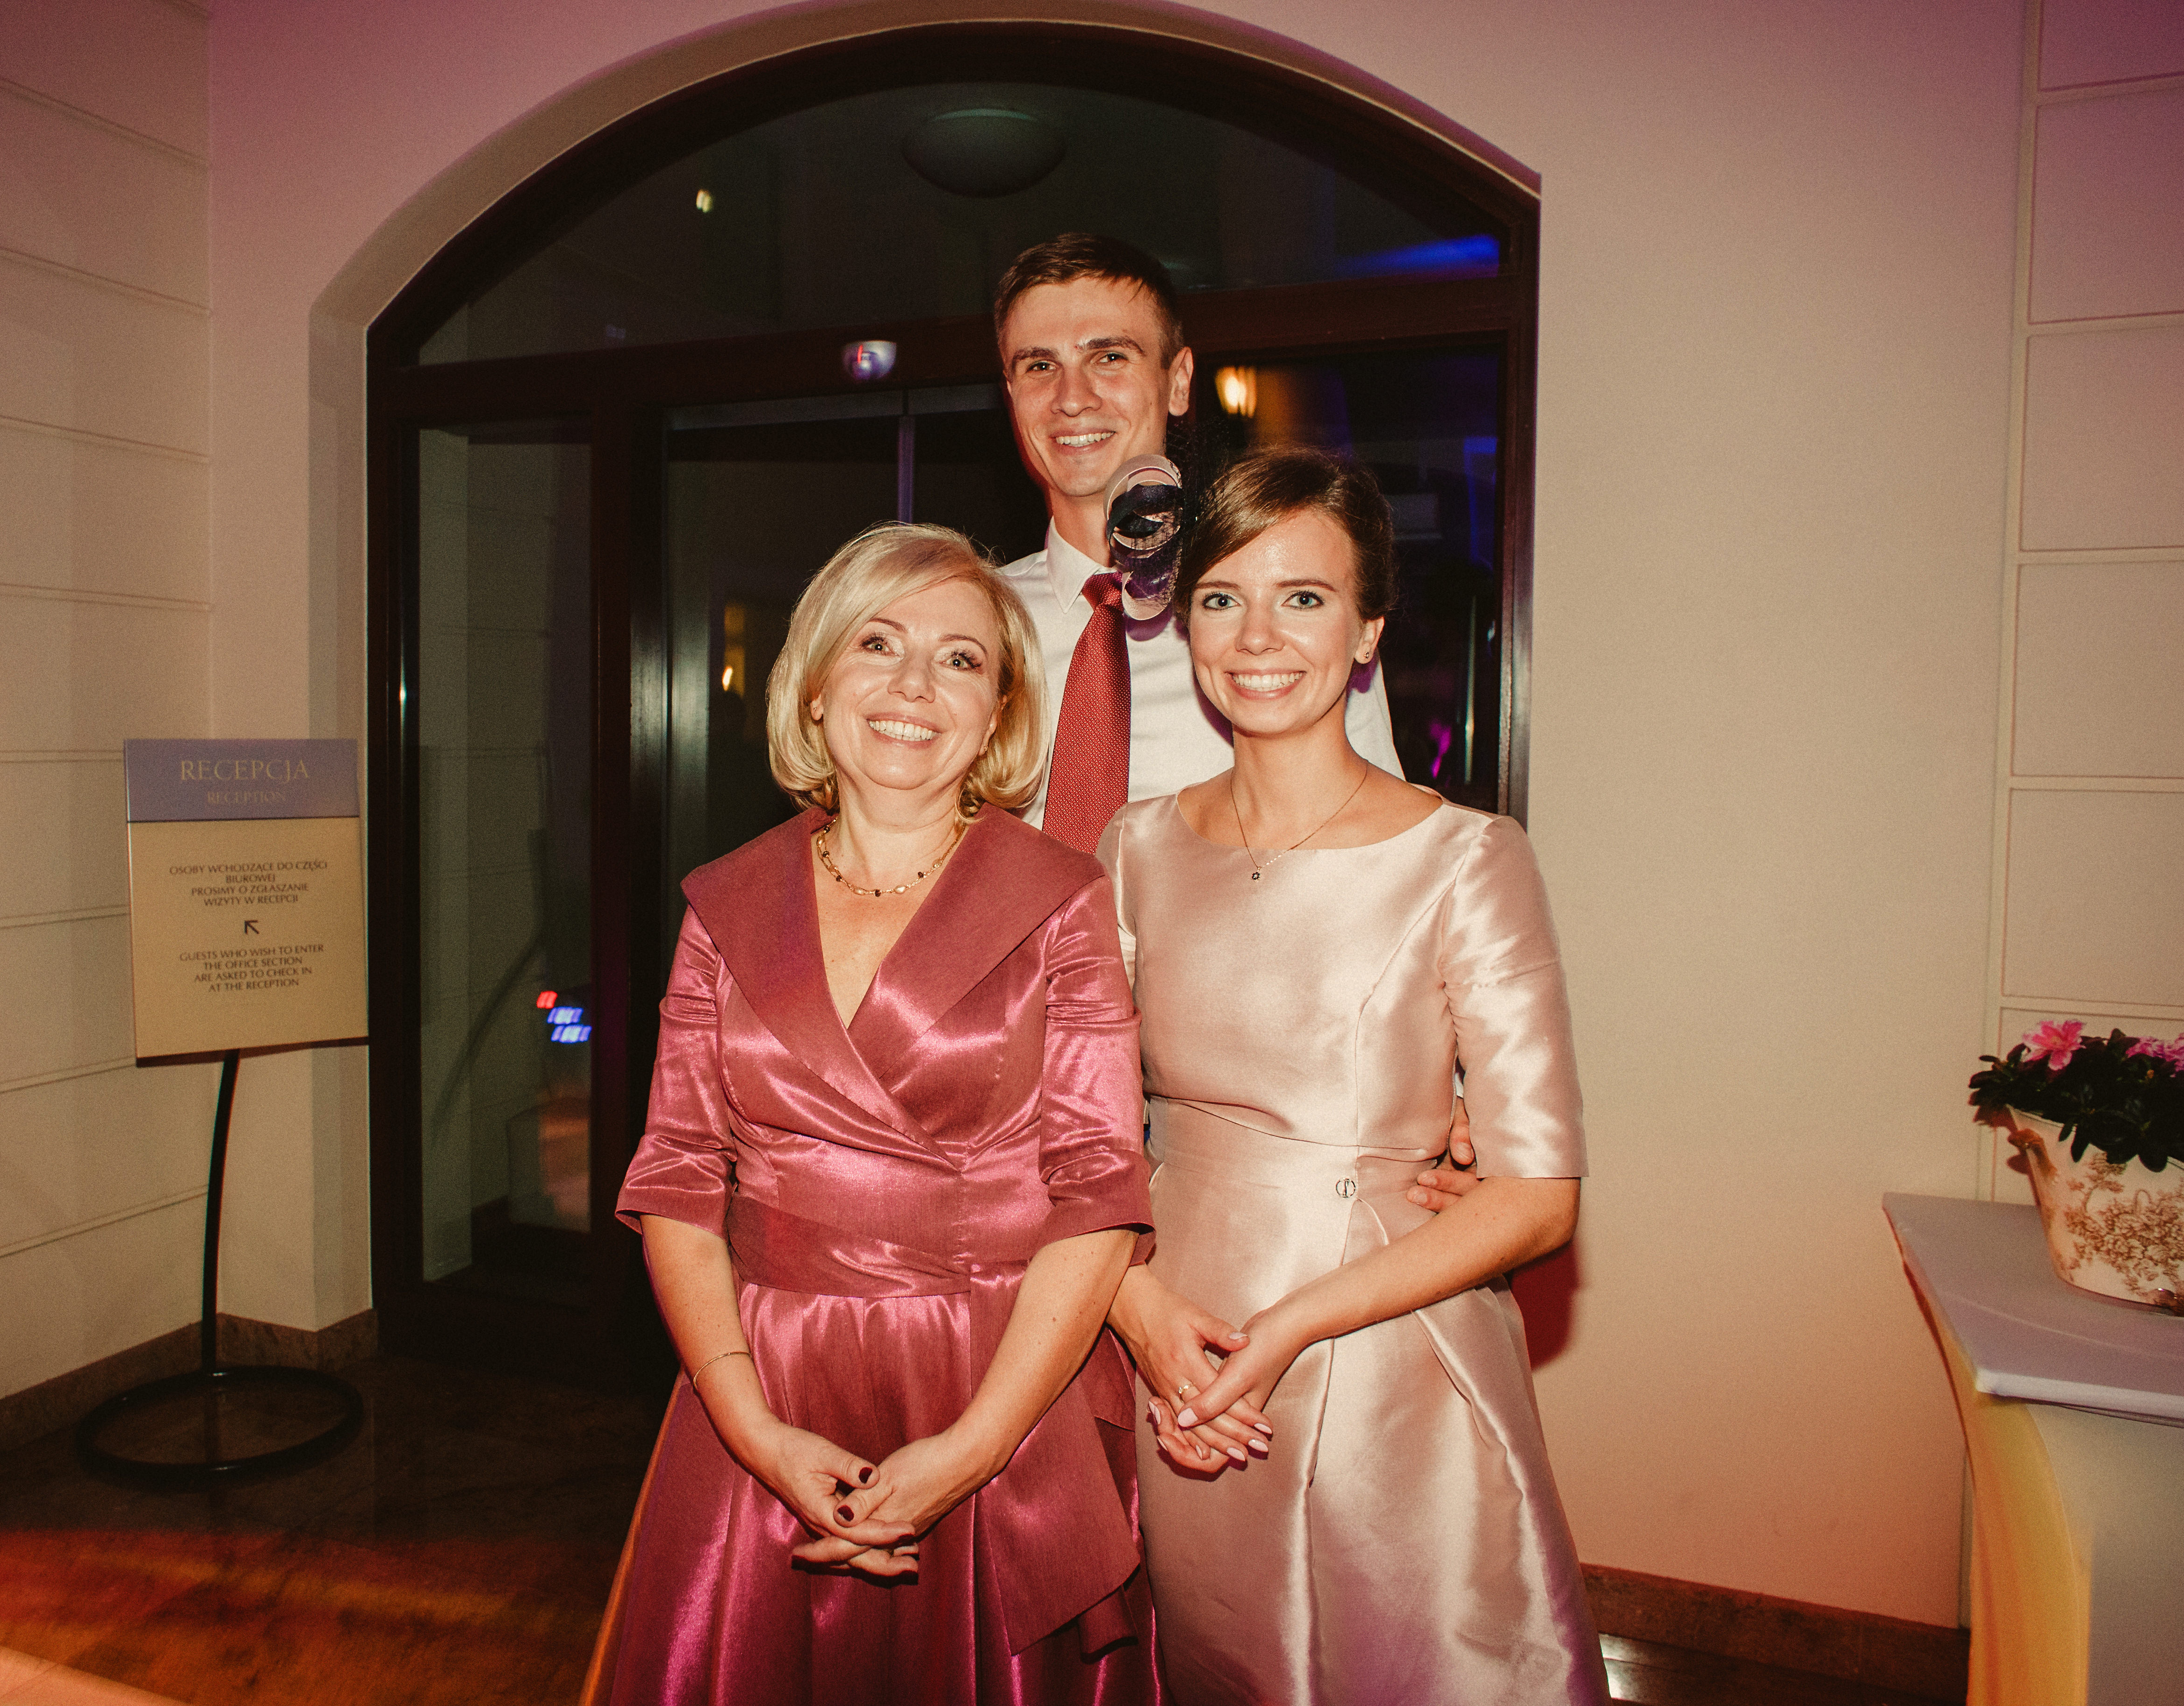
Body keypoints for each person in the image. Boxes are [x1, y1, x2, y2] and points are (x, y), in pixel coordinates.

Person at [592, 523, 1158, 1705]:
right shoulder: (724, 903)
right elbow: (680, 1178)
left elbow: (1101, 1195)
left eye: (960, 660)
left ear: (997, 714)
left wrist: (973, 1450)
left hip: (995, 1385)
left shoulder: (1060, 901)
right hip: (762, 1388)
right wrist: (752, 1428)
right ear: (815, 682)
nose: (914, 685)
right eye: (879, 643)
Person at [1098, 446, 1606, 1705]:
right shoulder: (1135, 847)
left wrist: (1291, 1326)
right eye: (1223, 597)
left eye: (1306, 598)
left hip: (1384, 1356)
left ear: (1369, 629)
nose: (1257, 636)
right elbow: (1071, 1134)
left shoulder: (1468, 858)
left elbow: (1537, 1195)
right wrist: (1140, 1312)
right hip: (1172, 1342)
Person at [989, 232, 1399, 857]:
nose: (1072, 398)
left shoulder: (1284, 627)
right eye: (1040, 366)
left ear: (1178, 381)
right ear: (1011, 395)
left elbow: (1379, 849)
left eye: (1110, 358)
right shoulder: (968, 625)